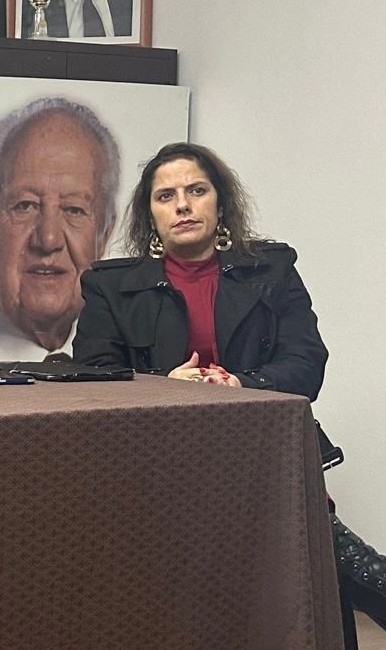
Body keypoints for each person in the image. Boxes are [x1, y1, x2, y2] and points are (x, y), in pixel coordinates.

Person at [74, 142, 385, 642]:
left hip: (261, 454)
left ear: (220, 204)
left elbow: (306, 364)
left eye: (196, 191)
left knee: (309, 543)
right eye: (166, 196)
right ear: (150, 215)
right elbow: (92, 375)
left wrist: (242, 384)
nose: (182, 205)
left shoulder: (272, 271)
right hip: (155, 465)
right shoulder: (110, 287)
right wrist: (165, 388)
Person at [0, 97, 119, 364]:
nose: (48, 239)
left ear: (104, 232)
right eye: (25, 206)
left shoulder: (125, 361)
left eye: (74, 210)